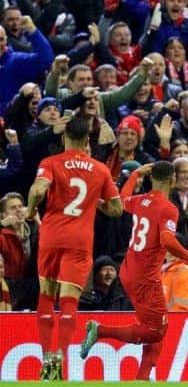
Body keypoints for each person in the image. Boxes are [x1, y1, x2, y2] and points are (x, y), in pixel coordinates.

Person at [80, 161, 188, 380]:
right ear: (173, 179)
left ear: (151, 177)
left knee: (155, 327)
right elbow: (167, 239)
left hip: (128, 271)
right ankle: (99, 331)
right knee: (156, 331)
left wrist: (135, 173)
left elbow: (121, 199)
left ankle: (143, 377)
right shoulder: (168, 209)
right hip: (145, 278)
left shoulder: (140, 201)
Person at [25, 117, 123, 381]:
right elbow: (117, 208)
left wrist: (32, 209)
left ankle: (46, 361)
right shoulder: (99, 169)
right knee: (69, 302)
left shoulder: (50, 163)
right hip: (80, 240)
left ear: (63, 138)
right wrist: (97, 203)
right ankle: (60, 359)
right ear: (87, 141)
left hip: (51, 236)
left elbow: (39, 189)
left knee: (46, 298)